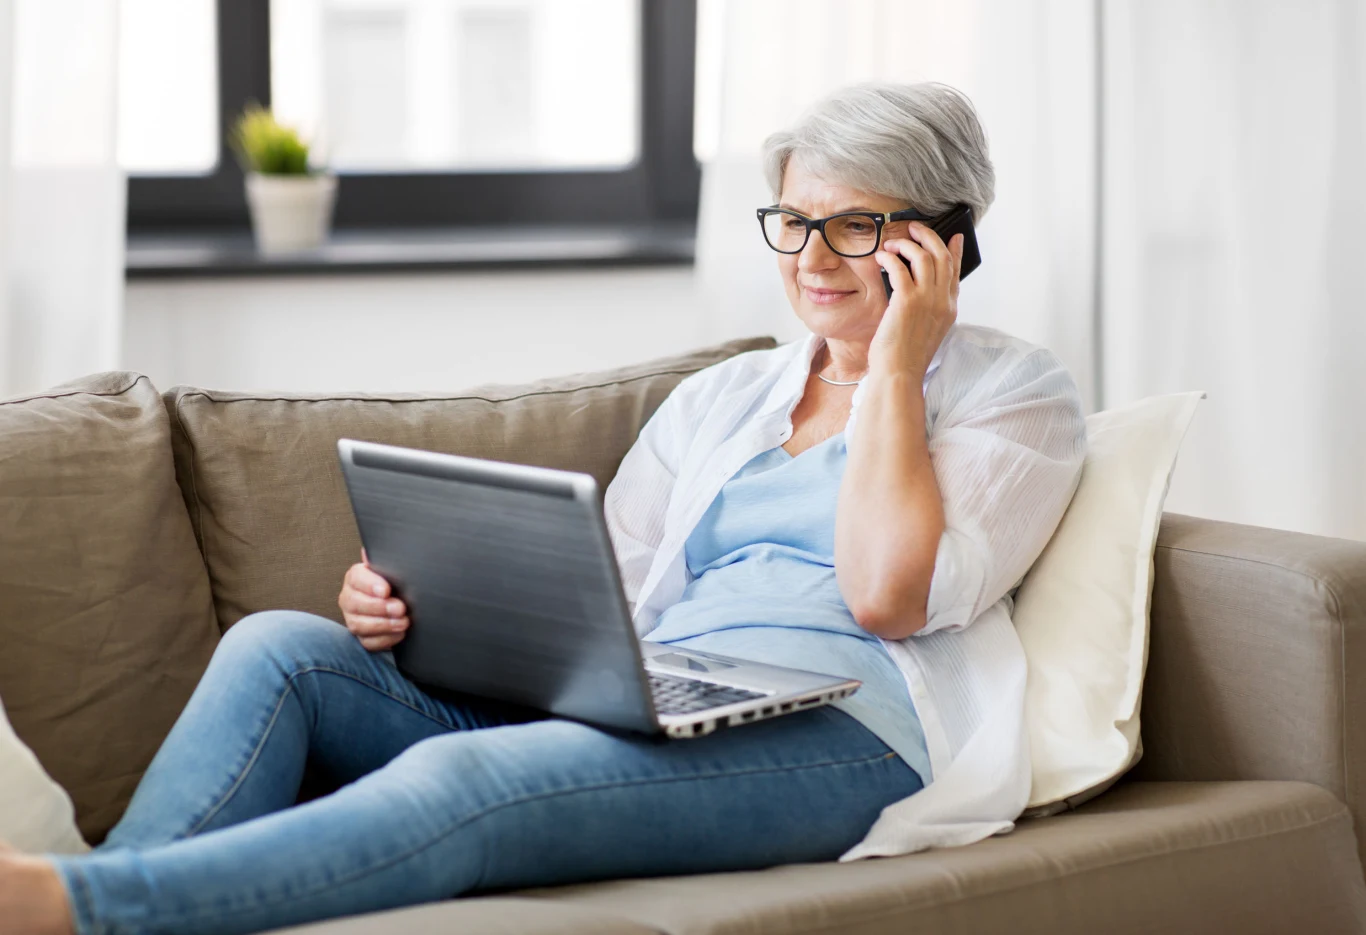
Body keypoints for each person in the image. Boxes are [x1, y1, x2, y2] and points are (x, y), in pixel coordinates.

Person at [0, 82, 1086, 935]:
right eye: (791, 222)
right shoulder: (726, 396)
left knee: (463, 777)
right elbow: (601, 592)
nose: (809, 260)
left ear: (944, 242)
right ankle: (86, 889)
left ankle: (74, 909)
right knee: (284, 646)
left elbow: (887, 595)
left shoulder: (1014, 396)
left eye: (853, 228)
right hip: (662, 694)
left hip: (848, 729)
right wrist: (418, 612)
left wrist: (893, 366)